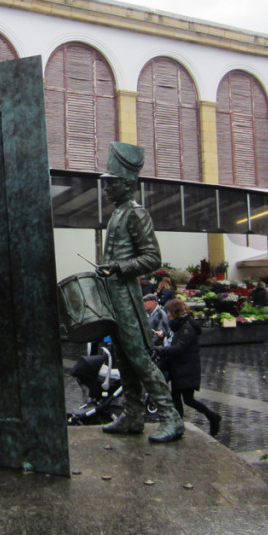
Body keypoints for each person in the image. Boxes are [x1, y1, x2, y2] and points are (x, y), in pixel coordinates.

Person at [94, 142, 184, 444]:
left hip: (127, 297)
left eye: (111, 183)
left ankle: (171, 417)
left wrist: (118, 267)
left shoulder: (136, 213)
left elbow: (152, 259)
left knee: (138, 357)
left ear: (127, 184)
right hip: (113, 295)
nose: (105, 188)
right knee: (123, 356)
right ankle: (132, 415)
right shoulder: (118, 213)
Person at [153, 298, 221, 436]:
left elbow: (179, 347)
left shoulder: (187, 328)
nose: (167, 314)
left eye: (168, 311)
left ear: (174, 312)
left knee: (188, 399)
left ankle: (212, 417)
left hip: (187, 369)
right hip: (179, 368)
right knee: (176, 397)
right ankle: (178, 425)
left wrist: (162, 350)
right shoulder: (179, 325)